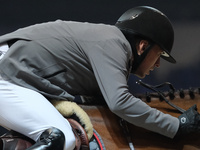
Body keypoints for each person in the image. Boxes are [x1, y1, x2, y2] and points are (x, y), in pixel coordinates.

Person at [0, 5, 199, 150]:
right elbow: (119, 103)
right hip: (6, 74)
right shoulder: (113, 44)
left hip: (13, 74)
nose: (157, 65)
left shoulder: (109, 41)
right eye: (159, 55)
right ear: (142, 46)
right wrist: (176, 124)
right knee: (62, 139)